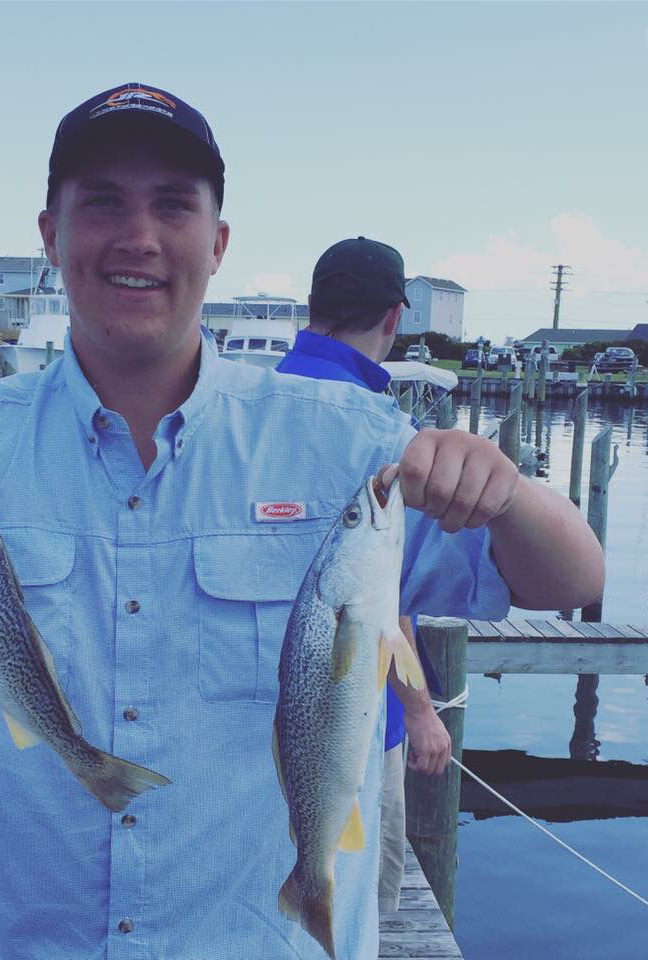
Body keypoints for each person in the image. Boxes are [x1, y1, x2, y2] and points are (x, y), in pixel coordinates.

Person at [0, 83, 604, 960]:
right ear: (51, 235)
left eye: (174, 204)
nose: (138, 235)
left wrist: (509, 494)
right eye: (102, 202)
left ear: (217, 244)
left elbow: (571, 580)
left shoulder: (353, 444)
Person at [275, 236, 451, 914]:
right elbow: (379, 597)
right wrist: (421, 711)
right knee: (360, 903)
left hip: (256, 728)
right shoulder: (381, 432)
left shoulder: (244, 411)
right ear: (394, 317)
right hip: (355, 730)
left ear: (312, 305)